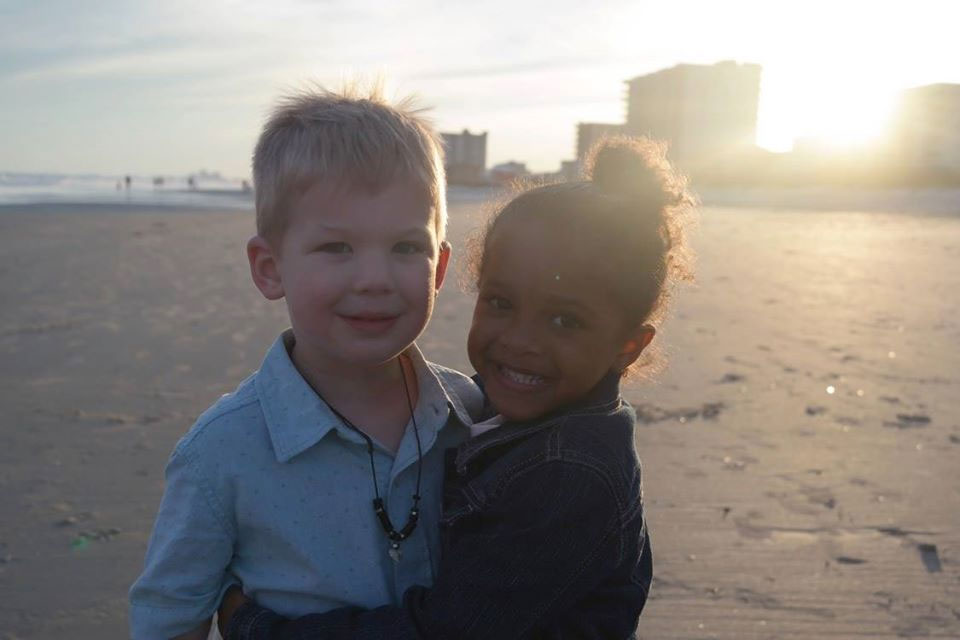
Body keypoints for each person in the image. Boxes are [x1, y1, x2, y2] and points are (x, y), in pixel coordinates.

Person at [218, 136, 696, 639]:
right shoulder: (489, 408)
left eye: (564, 320)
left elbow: (446, 632)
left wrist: (258, 630)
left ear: (628, 346)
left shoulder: (567, 473)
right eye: (501, 303)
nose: (519, 341)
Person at [128, 85, 485, 639]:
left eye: (406, 248)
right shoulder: (222, 452)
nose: (374, 279)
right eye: (336, 248)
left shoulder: (470, 414)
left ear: (439, 269)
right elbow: (170, 613)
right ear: (270, 268)